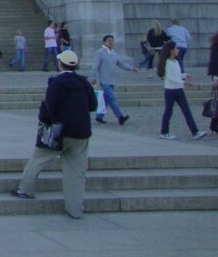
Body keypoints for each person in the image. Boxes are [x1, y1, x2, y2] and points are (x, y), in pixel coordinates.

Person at [10, 50, 96, 219]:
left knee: (38, 159)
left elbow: (49, 106)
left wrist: (45, 121)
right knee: (76, 172)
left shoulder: (56, 83)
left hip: (58, 131)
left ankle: (26, 189)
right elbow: (93, 104)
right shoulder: (84, 83)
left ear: (60, 64)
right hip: (81, 132)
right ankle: (75, 209)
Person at [157, 40, 207, 140]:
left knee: (186, 111)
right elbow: (169, 77)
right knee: (168, 111)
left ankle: (195, 132)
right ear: (171, 50)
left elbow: (176, 75)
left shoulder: (175, 62)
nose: (178, 50)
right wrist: (183, 82)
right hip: (170, 91)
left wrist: (184, 75)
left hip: (179, 90)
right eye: (176, 48)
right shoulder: (167, 62)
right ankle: (164, 132)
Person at [90, 34, 138, 125]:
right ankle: (120, 117)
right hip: (104, 81)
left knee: (106, 99)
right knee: (112, 98)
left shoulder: (114, 53)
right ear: (104, 42)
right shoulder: (100, 52)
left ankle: (99, 116)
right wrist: (93, 77)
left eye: (112, 40)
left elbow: (121, 63)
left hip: (112, 80)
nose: (111, 42)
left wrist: (132, 68)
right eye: (109, 40)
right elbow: (95, 66)